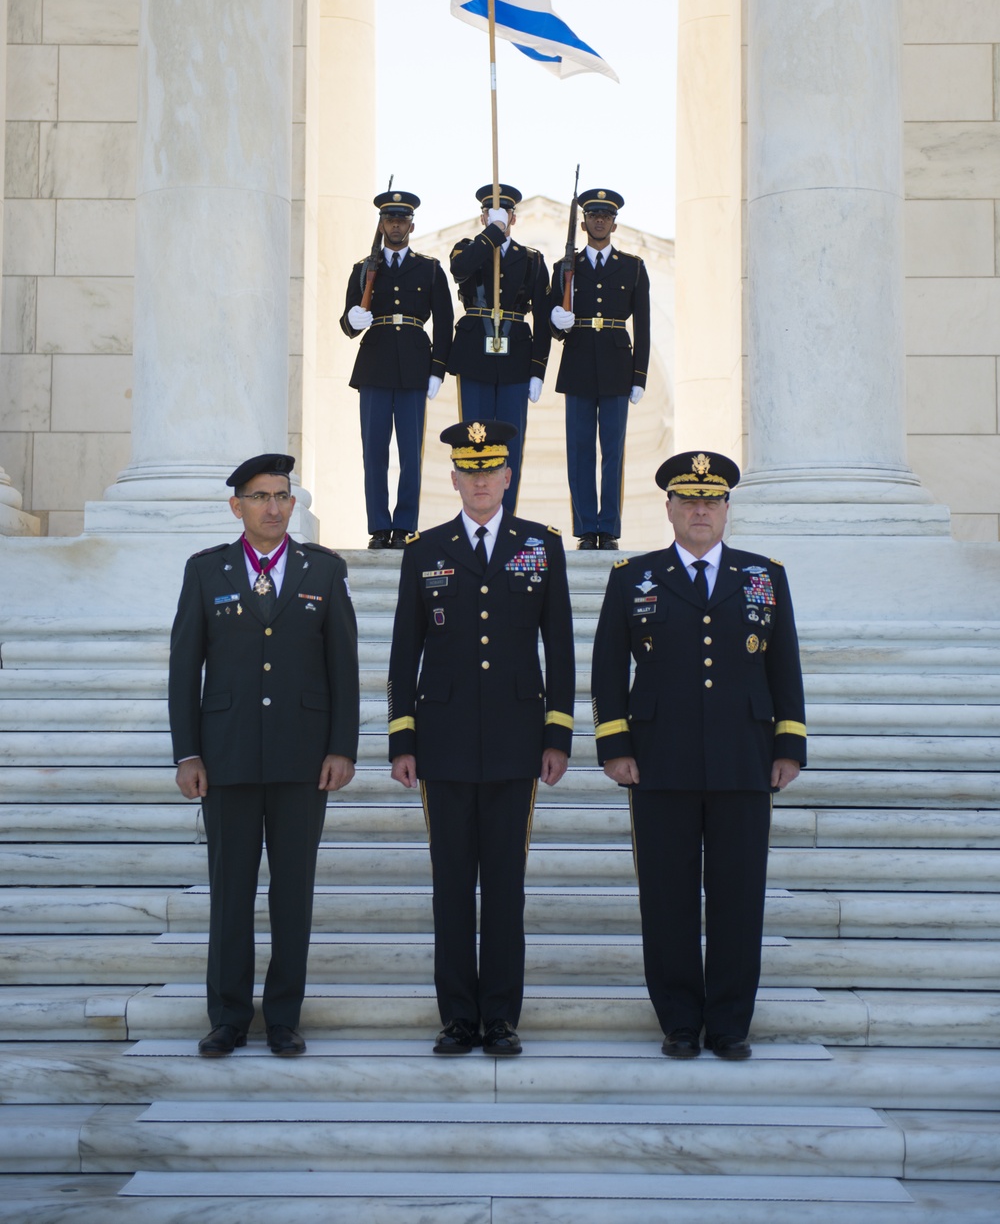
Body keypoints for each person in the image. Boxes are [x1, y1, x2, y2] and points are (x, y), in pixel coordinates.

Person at [591, 450, 806, 1061]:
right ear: (669, 509)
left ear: (727, 509)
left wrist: (788, 743)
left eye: (711, 500)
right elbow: (608, 671)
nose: (701, 510)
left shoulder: (764, 575)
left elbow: (783, 664)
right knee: (667, 895)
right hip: (660, 760)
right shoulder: (633, 576)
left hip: (745, 757)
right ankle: (681, 1021)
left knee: (740, 894)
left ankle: (731, 1023)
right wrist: (615, 744)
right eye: (689, 500)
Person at [387, 420, 575, 1057]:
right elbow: (403, 652)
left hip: (517, 742)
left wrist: (558, 734)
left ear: (508, 476)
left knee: (504, 886)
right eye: (469, 472)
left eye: (490, 470)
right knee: (449, 886)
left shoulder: (539, 546)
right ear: (454, 479)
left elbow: (562, 651)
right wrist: (402, 739)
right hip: (441, 742)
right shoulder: (426, 549)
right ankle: (457, 1018)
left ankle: (500, 1017)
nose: (480, 481)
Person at [168, 453, 360, 1058]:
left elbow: (344, 670)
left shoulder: (323, 571)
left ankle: (283, 1016)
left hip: (303, 761)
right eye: (260, 496)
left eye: (282, 496)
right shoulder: (207, 571)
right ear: (237, 506)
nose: (274, 507)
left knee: (292, 892)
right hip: (225, 759)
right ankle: (228, 1016)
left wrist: (342, 747)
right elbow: (183, 669)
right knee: (230, 891)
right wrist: (187, 753)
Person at [341, 189, 454, 549]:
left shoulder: (429, 268)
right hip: (374, 365)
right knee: (373, 451)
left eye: (402, 219)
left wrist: (438, 368)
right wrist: (352, 319)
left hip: (414, 366)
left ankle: (404, 525)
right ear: (381, 224)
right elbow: (348, 322)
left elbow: (446, 321)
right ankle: (378, 526)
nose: (395, 225)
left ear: (411, 225)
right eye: (390, 219)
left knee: (409, 452)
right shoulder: (363, 269)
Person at [548, 187, 650, 550]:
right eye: (594, 216)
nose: (600, 221)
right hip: (577, 362)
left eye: (606, 216)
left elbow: (644, 326)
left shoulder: (633, 267)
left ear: (614, 224)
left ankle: (608, 528)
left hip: (616, 365)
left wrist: (640, 376)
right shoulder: (565, 267)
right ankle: (585, 528)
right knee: (579, 449)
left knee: (613, 450)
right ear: (584, 222)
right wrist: (556, 320)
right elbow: (553, 322)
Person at [447, 185, 551, 513]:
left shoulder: (532, 259)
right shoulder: (467, 249)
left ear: (514, 218)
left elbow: (544, 317)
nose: (499, 219)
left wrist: (538, 369)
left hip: (516, 358)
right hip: (475, 354)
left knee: (510, 445)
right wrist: (492, 233)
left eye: (504, 214)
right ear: (483, 217)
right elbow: (461, 270)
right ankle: (474, 514)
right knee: (474, 440)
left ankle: (507, 517)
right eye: (492, 215)